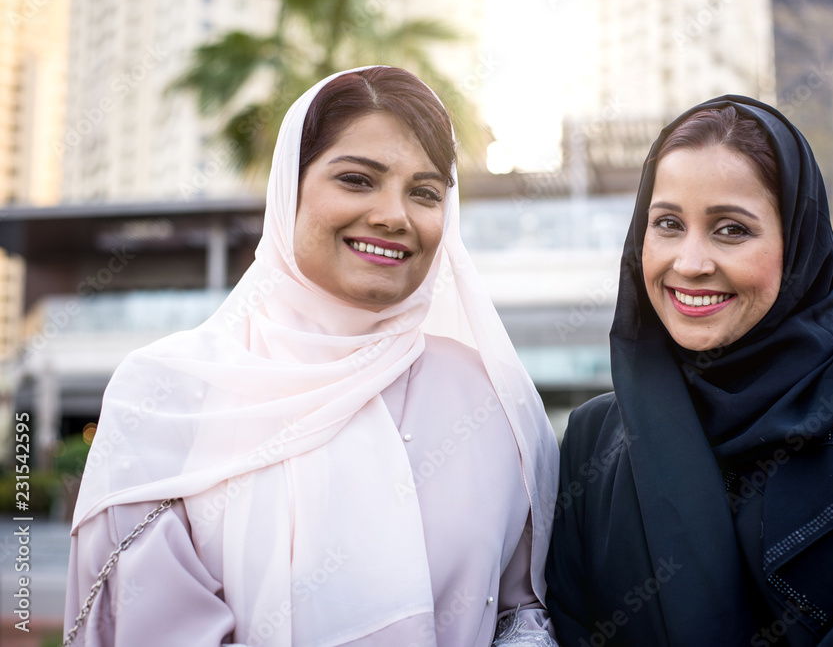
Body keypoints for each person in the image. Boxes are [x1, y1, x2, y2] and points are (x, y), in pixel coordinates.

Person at [64, 66, 560, 647]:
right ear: (288, 190)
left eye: (425, 192)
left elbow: (521, 610)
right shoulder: (167, 394)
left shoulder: (489, 397)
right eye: (356, 180)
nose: (393, 215)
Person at [544, 96, 833, 646]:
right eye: (668, 223)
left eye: (731, 230)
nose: (690, 263)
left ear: (796, 246)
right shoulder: (593, 440)